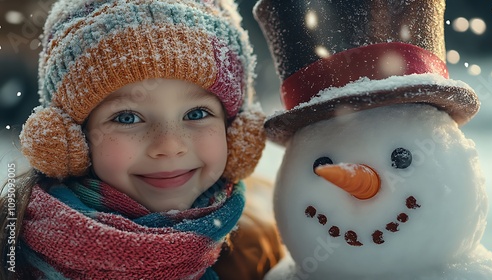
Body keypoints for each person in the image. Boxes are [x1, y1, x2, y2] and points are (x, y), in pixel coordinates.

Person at [0, 0, 283, 279]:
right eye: (127, 118)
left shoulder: (258, 250)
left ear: (235, 131)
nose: (169, 145)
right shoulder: (13, 255)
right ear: (69, 141)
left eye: (197, 113)